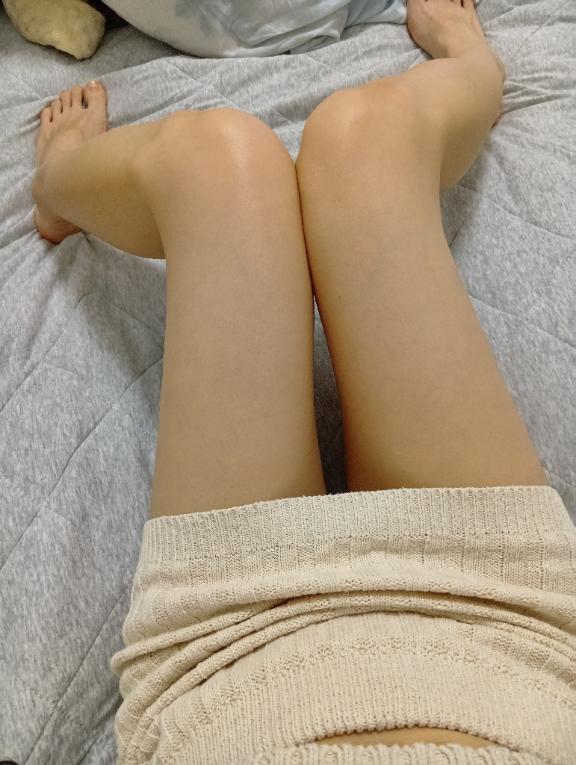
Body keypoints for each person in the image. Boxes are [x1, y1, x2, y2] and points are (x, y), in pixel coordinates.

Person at [31, 0, 576, 760]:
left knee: (212, 159)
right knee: (360, 137)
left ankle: (56, 182)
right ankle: (477, 71)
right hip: (496, 635)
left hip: (229, 667)